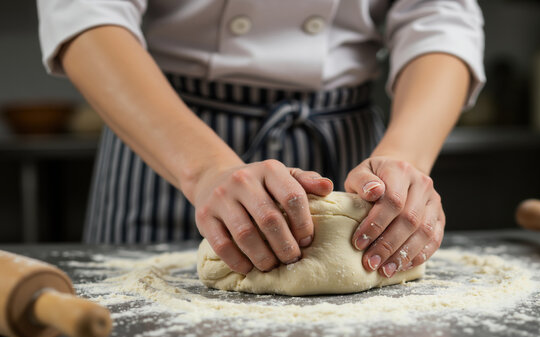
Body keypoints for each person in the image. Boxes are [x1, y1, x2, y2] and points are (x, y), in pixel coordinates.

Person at [37, 0, 485, 279]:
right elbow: (86, 12)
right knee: (137, 307)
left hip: (346, 150)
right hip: (165, 135)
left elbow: (439, 15)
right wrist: (206, 169)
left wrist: (405, 158)